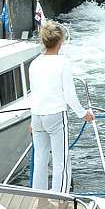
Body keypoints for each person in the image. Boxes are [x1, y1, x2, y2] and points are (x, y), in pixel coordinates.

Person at [28, 20, 95, 192]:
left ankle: (39, 201)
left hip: (37, 116)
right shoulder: (63, 63)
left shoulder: (34, 63)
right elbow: (69, 95)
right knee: (61, 160)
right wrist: (83, 113)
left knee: (40, 160)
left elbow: (33, 92)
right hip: (56, 115)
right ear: (61, 42)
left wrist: (32, 118)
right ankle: (60, 201)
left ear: (43, 41)